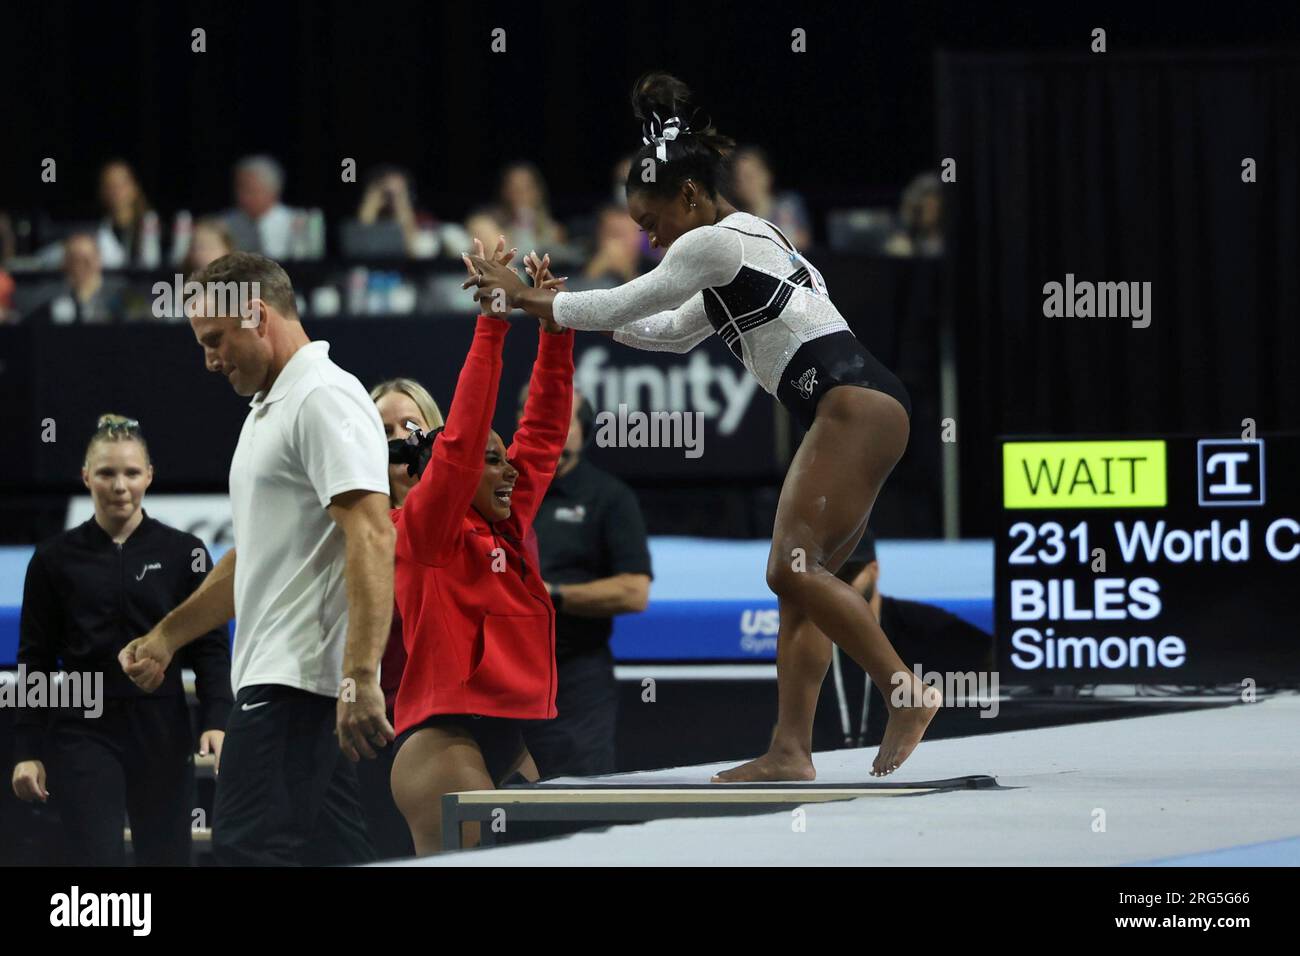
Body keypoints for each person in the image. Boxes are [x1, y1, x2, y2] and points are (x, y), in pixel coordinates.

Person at [468, 72, 938, 780]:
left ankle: (904, 689)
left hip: (851, 406)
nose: (645, 235)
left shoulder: (715, 242)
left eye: (650, 221)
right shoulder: (739, 246)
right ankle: (791, 749)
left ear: (688, 196)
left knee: (792, 567)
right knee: (807, 586)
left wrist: (529, 299)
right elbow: (661, 329)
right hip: (864, 408)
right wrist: (557, 301)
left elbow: (630, 295)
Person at [119, 252, 395, 865]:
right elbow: (254, 559)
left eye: (215, 340)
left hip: (294, 687)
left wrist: (359, 677)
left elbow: (373, 536)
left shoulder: (322, 397)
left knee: (248, 852)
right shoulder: (269, 409)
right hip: (289, 686)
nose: (210, 360)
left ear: (256, 313)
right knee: (333, 856)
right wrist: (168, 637)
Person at [389, 239, 573, 854]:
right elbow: (465, 440)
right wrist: (493, 323)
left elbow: (543, 434)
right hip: (443, 741)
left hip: (508, 736)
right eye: (494, 463)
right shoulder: (425, 530)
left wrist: (553, 326)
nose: (511, 471)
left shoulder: (504, 525)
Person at [12, 415, 232, 865]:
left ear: (149, 476)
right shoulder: (53, 558)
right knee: (95, 857)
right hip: (82, 728)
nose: (119, 485)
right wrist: (27, 751)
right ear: (86, 476)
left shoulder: (184, 552)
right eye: (107, 473)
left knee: (167, 857)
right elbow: (34, 660)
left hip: (163, 730)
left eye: (131, 473)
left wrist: (216, 718)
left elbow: (209, 645)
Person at [519, 387, 652, 777]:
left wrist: (551, 595)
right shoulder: (503, 491)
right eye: (534, 414)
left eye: (559, 416)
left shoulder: (608, 498)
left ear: (583, 429)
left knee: (576, 801)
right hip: (502, 675)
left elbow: (634, 592)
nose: (546, 424)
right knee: (494, 805)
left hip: (574, 679)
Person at [354, 377, 445, 859]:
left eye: (411, 425)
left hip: (460, 726)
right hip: (377, 730)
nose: (398, 439)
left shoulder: (482, 521)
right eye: (382, 428)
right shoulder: (354, 534)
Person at [823, 532, 994, 747]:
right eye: (833, 576)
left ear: (874, 569)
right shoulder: (811, 632)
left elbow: (991, 656)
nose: (842, 585)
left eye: (849, 573)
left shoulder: (919, 624)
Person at [729, 146, 812, 249]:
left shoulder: (788, 204)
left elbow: (803, 240)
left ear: (767, 175)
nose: (746, 183)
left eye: (750, 176)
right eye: (739, 178)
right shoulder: (735, 219)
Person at [222, 155, 301, 259]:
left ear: (272, 191)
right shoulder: (223, 225)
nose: (240, 196)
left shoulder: (296, 223)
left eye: (249, 190)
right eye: (238, 188)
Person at [95, 160, 155, 268]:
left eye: (121, 184)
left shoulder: (155, 229)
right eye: (110, 186)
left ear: (134, 187)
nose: (116, 191)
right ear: (102, 192)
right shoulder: (95, 235)